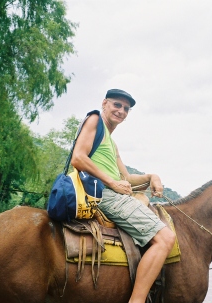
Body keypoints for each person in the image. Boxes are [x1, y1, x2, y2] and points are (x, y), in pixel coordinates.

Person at [71, 89, 176, 303]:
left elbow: (126, 176)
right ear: (105, 103)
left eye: (126, 109)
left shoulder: (110, 141)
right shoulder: (94, 121)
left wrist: (151, 176)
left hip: (108, 190)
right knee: (166, 238)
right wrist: (112, 183)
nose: (121, 111)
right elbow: (78, 158)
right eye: (117, 105)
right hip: (102, 194)